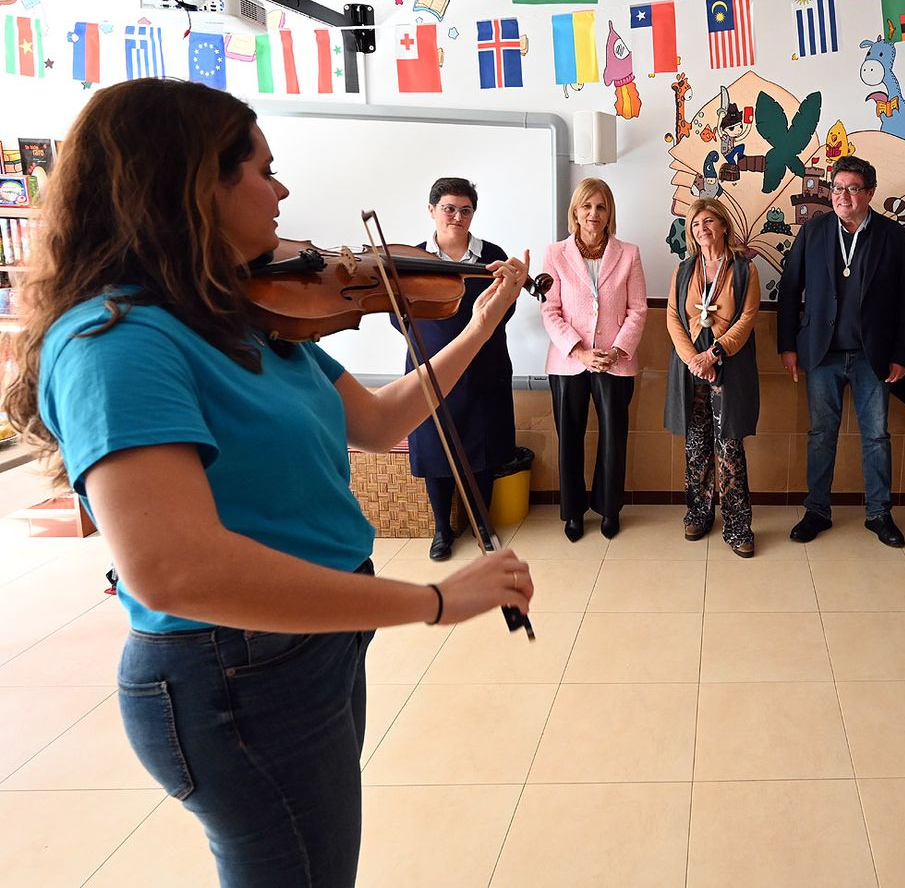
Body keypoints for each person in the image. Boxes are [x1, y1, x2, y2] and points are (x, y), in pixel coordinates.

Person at [4, 79, 534, 885]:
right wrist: (433, 601)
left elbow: (386, 420)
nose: (283, 190)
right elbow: (177, 570)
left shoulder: (245, 316)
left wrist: (480, 324)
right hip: (231, 672)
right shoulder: (116, 342)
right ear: (188, 184)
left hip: (310, 646)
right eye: (261, 170)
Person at [777, 155, 905, 548]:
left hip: (873, 356)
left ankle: (879, 513)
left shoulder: (892, 237)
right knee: (821, 434)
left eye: (852, 189)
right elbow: (791, 290)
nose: (842, 196)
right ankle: (817, 510)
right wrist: (788, 345)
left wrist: (903, 354)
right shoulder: (814, 231)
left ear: (870, 192)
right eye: (837, 188)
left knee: (876, 436)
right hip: (821, 354)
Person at [403, 177, 518, 561]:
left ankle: (482, 524)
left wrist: (512, 286)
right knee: (436, 451)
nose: (456, 216)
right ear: (432, 210)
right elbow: (395, 314)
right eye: (449, 208)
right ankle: (442, 530)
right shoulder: (411, 259)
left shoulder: (492, 256)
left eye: (465, 210)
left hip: (483, 367)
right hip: (431, 368)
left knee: (481, 450)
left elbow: (506, 311)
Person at [540, 178, 647, 542]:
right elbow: (550, 310)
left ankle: (609, 508)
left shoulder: (629, 253)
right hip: (569, 362)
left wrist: (615, 351)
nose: (593, 214)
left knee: (613, 437)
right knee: (568, 436)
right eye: (586, 206)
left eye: (600, 207)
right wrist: (580, 351)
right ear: (575, 211)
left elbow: (638, 309)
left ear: (609, 212)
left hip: (615, 361)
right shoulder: (555, 254)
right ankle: (573, 513)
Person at [665, 197, 760, 557]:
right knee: (696, 444)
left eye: (708, 222)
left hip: (729, 367)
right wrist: (693, 359)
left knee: (730, 446)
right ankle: (699, 513)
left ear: (722, 225)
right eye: (695, 225)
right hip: (691, 370)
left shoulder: (744, 269)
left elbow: (747, 319)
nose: (701, 229)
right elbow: (673, 318)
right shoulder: (684, 269)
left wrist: (714, 354)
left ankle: (738, 525)